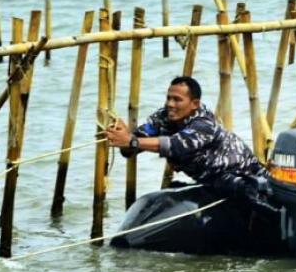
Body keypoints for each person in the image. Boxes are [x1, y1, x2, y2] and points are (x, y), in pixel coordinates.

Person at [104, 75, 266, 198]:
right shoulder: (162, 117)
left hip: (242, 175)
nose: (170, 104)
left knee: (235, 187)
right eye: (168, 98)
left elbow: (176, 146)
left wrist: (131, 141)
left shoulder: (204, 124)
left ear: (194, 104)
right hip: (208, 180)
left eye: (177, 100)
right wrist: (124, 136)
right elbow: (132, 148)